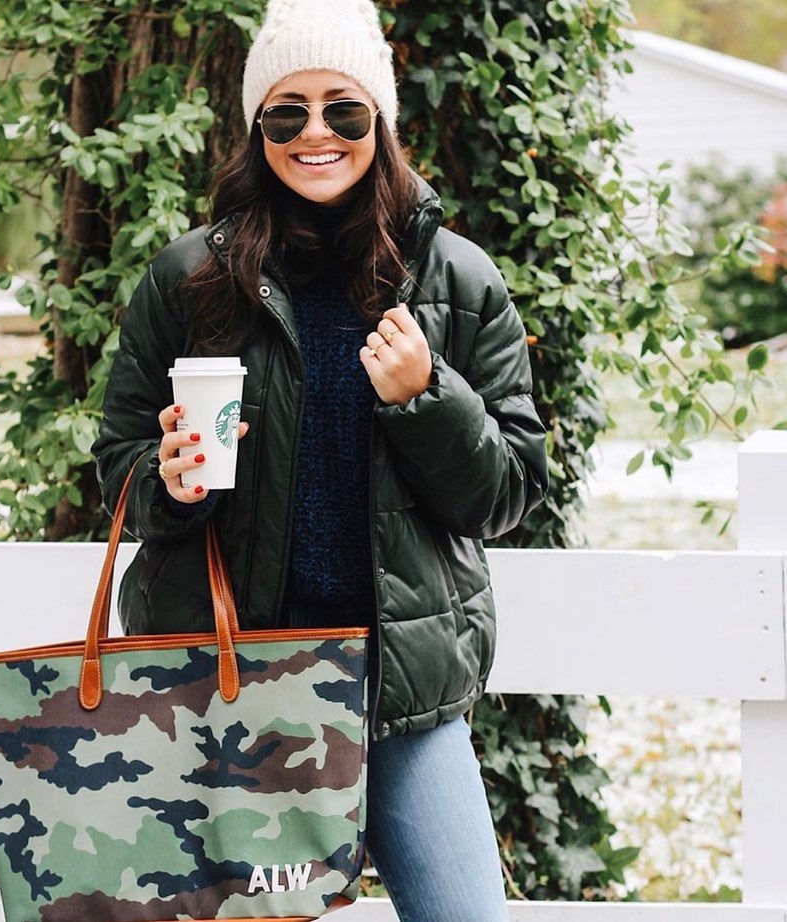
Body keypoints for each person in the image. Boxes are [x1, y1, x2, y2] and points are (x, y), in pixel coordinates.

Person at [92, 0, 549, 918]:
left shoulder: (457, 279)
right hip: (222, 687)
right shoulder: (188, 280)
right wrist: (168, 478)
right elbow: (119, 464)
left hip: (399, 696)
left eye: (342, 109)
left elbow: (507, 494)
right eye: (285, 111)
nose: (314, 134)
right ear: (257, 126)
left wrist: (427, 394)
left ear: (378, 121)